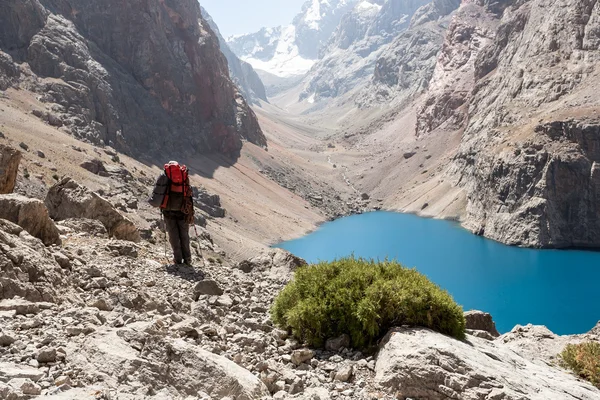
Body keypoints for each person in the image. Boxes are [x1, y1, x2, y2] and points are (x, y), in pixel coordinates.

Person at [149, 161, 194, 265]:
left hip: (168, 211)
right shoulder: (183, 175)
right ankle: (188, 259)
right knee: (184, 235)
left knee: (173, 236)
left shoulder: (165, 176)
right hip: (183, 211)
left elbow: (157, 192)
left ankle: (177, 260)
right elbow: (189, 192)